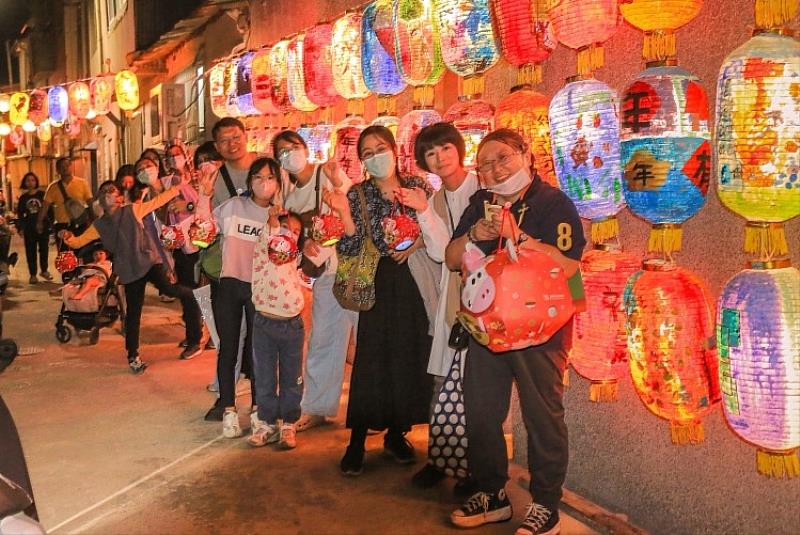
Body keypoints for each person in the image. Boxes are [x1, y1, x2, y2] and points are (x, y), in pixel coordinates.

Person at [444, 129, 585, 535]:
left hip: (542, 330)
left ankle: (545, 505)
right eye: (484, 165)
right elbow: (452, 258)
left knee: (542, 416)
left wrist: (516, 236)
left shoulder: (553, 202)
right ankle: (492, 493)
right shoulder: (480, 203)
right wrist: (476, 234)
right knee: (481, 411)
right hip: (489, 328)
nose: (494, 170)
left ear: (526, 154)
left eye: (502, 158)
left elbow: (569, 266)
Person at [325, 125, 435, 476]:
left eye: (380, 148)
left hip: (417, 280)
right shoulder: (359, 193)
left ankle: (396, 434)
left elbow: (438, 226)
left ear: (394, 149)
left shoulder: (418, 186)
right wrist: (344, 214)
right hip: (380, 281)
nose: (376, 157)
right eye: (367, 153)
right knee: (372, 360)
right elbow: (350, 246)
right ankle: (357, 441)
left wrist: (417, 244)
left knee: (410, 358)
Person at [400, 123, 480, 493]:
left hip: (486, 295)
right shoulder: (431, 201)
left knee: (478, 383)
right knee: (443, 380)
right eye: (431, 153)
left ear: (458, 149)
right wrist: (423, 211)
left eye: (446, 148)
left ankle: (476, 467)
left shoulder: (482, 188)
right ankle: (441, 458)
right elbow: (440, 253)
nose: (440, 157)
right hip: (451, 295)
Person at [61, 175, 205, 373]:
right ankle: (133, 356)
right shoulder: (99, 225)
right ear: (99, 200)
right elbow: (78, 241)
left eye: (114, 191)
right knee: (133, 313)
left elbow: (157, 202)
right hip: (128, 270)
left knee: (170, 290)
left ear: (120, 198)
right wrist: (67, 237)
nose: (111, 193)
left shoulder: (133, 210)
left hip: (148, 262)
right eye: (106, 191)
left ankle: (194, 296)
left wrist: (176, 188)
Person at [271, 130, 356, 432]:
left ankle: (375, 409)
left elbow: (353, 202)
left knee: (368, 340)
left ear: (306, 148)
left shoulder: (328, 172)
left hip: (354, 266)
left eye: (294, 147)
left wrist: (337, 180)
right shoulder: (289, 196)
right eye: (282, 152)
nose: (290, 154)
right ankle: (317, 407)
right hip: (324, 273)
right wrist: (302, 242)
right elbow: (292, 234)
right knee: (322, 340)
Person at [196, 157, 278, 438]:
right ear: (250, 180)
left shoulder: (277, 216)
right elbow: (204, 229)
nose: (264, 183)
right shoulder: (233, 207)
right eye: (258, 176)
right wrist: (204, 196)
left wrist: (277, 225)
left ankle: (257, 409)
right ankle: (229, 410)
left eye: (270, 177)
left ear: (278, 183)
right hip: (229, 285)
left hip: (260, 289)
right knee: (228, 349)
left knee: (258, 351)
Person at [249, 209, 306, 450]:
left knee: (292, 378)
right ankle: (267, 422)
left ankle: (289, 423)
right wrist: (273, 222)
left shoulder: (295, 258)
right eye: (285, 228)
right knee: (264, 377)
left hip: (292, 325)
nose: (290, 235)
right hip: (264, 324)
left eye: (296, 232)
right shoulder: (264, 250)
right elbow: (270, 235)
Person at [36, 157, 93, 252]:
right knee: (64, 254)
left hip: (80, 223)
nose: (65, 168)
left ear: (71, 166)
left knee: (81, 252)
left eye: (67, 165)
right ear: (57, 170)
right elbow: (45, 206)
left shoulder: (82, 183)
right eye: (61, 167)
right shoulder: (53, 187)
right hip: (62, 225)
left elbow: (90, 202)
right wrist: (39, 222)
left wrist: (93, 219)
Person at [211, 117, 258, 207]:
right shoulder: (215, 180)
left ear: (246, 137)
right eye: (224, 141)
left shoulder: (272, 163)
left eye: (236, 137)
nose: (232, 144)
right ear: (217, 147)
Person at [16, 172, 52, 284]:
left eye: (33, 180)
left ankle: (44, 270)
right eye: (28, 180)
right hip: (29, 228)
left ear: (36, 182)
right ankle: (33, 275)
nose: (30, 183)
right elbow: (20, 214)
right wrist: (20, 228)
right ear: (24, 183)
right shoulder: (23, 198)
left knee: (44, 250)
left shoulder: (43, 195)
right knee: (30, 252)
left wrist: (50, 225)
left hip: (42, 227)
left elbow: (49, 210)